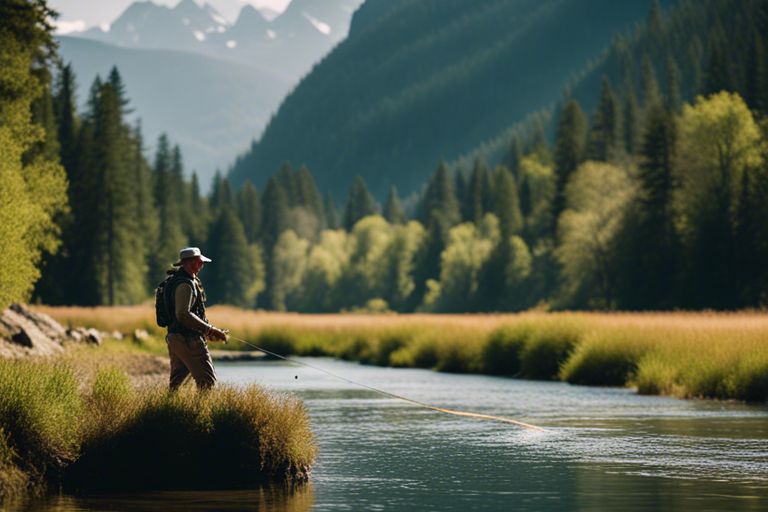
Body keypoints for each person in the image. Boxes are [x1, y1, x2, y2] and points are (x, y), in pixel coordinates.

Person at [164, 247, 228, 391]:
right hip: (188, 340)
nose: (201, 265)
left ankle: (169, 411)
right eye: (200, 262)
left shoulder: (176, 281)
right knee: (208, 383)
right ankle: (204, 413)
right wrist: (209, 329)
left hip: (175, 338)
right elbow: (183, 314)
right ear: (190, 263)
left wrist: (207, 331)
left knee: (177, 385)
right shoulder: (185, 285)